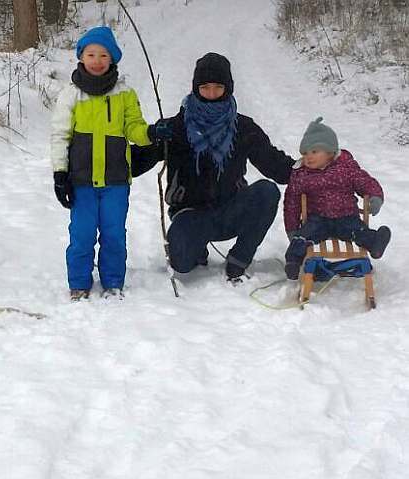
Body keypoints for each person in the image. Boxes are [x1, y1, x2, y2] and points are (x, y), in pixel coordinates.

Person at [130, 52, 294, 281]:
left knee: (267, 191)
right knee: (182, 264)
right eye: (205, 87)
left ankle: (239, 259)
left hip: (231, 210)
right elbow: (137, 161)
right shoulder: (174, 128)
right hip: (190, 214)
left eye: (218, 87)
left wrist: (309, 168)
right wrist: (99, 163)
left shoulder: (243, 127)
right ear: (195, 87)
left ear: (228, 88)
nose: (211, 93)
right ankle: (196, 248)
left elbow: (274, 164)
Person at [50, 26, 161, 300]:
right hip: (81, 182)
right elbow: (60, 135)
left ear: (112, 59)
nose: (97, 60)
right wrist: (60, 173)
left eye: (103, 55)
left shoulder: (125, 94)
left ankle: (113, 282)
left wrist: (151, 134)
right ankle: (79, 284)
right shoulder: (71, 94)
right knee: (82, 236)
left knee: (113, 235)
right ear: (81, 57)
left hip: (116, 182)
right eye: (91, 54)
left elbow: (134, 127)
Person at [282, 117, 391, 279]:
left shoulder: (345, 168)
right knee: (302, 237)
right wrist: (292, 229)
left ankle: (375, 242)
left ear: (330, 152)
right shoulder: (301, 174)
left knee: (359, 231)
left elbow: (364, 181)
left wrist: (375, 197)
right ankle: (293, 262)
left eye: (314, 152)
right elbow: (292, 201)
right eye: (305, 153)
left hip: (346, 216)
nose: (308, 157)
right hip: (317, 219)